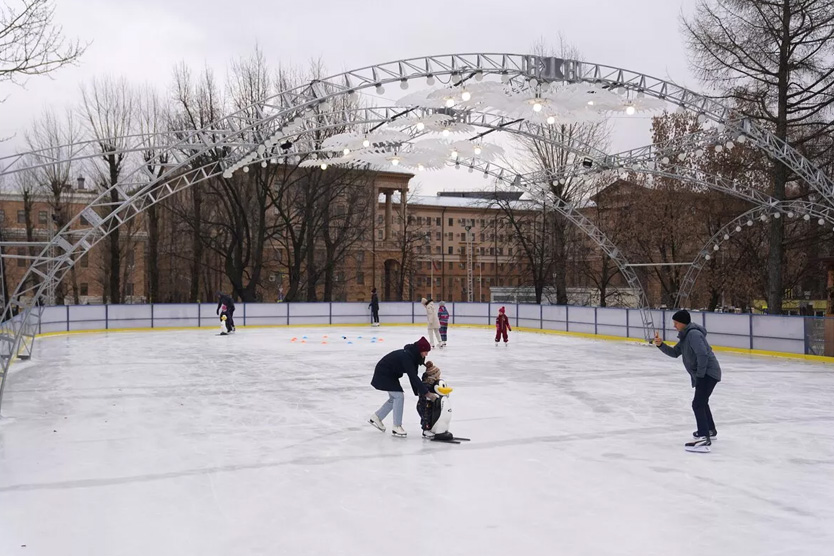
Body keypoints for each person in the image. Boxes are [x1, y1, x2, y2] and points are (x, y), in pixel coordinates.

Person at [654, 309, 722, 453]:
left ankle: (703, 438)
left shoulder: (693, 334)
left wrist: (700, 375)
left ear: (683, 323)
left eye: (676, 323)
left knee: (697, 403)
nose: (674, 326)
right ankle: (709, 430)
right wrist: (660, 345)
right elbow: (674, 353)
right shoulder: (686, 337)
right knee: (702, 402)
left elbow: (702, 354)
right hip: (706, 373)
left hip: (708, 373)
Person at [369, 336, 434, 437]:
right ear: (420, 350)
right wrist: (427, 393)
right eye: (426, 351)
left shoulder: (415, 357)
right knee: (398, 396)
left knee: (394, 398)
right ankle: (396, 426)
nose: (427, 354)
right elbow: (412, 376)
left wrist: (420, 393)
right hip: (383, 373)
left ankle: (377, 417)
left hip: (390, 374)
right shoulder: (407, 357)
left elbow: (414, 377)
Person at [416, 360, 455, 441]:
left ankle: (431, 429)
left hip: (430, 405)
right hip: (423, 404)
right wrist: (430, 396)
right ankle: (425, 430)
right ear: (433, 376)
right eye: (438, 375)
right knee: (426, 417)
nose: (439, 377)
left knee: (431, 417)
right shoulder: (425, 384)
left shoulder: (433, 383)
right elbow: (422, 393)